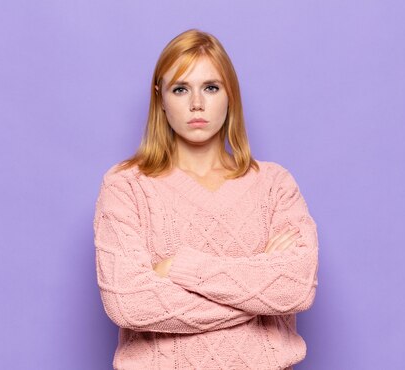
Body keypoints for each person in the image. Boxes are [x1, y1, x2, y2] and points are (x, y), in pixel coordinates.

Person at [93, 29, 319, 370]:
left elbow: (296, 287)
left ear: (230, 94)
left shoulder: (274, 184)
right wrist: (259, 285)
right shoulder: (126, 186)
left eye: (210, 87)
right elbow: (129, 303)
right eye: (180, 89)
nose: (196, 103)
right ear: (161, 98)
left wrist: (179, 268)